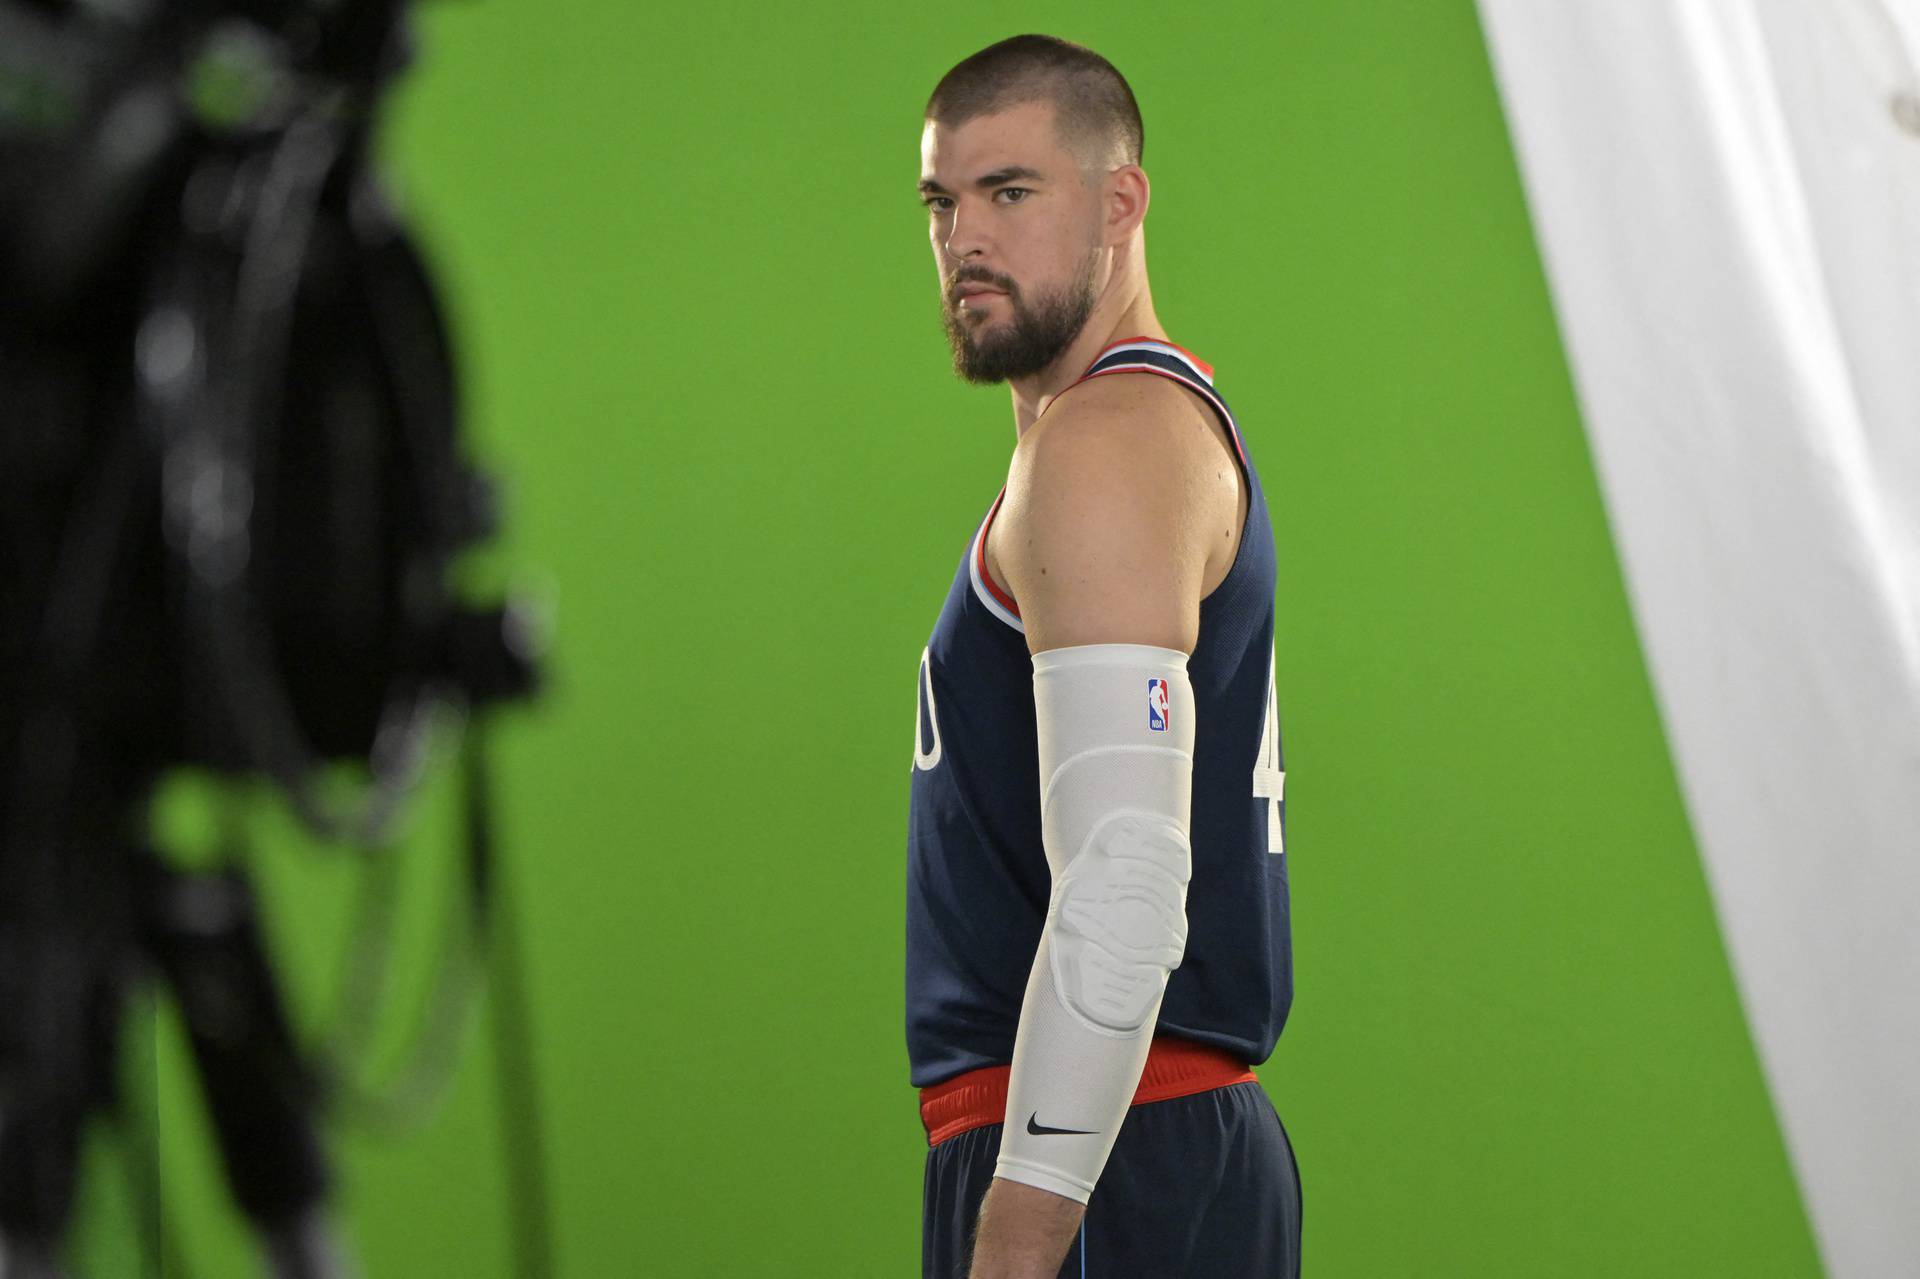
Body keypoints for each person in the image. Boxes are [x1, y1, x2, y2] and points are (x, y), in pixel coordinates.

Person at [905, 33, 1301, 1279]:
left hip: (1107, 1157)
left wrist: (1016, 1247)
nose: (966, 238)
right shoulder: (1114, 436)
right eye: (942, 202)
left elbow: (1127, 885)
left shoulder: (1111, 441)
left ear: (1120, 202)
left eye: (1011, 193)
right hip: (1111, 1139)